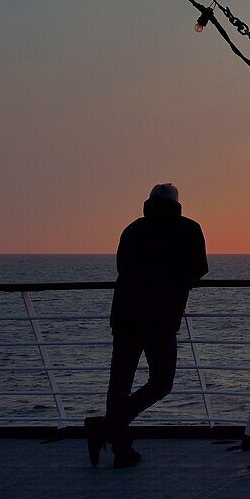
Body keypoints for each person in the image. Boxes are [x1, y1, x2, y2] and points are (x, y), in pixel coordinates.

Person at [86, 183, 208, 468]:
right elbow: (199, 269)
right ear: (177, 203)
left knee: (119, 383)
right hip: (161, 318)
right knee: (162, 381)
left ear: (149, 201)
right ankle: (108, 430)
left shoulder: (132, 230)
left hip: (126, 315)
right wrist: (173, 283)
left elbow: (122, 267)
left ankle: (118, 443)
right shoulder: (188, 229)